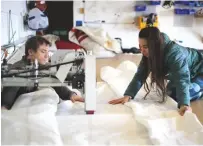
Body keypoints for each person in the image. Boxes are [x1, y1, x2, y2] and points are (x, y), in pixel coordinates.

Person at [109, 27, 203, 116]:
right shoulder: (149, 53)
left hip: (200, 70)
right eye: (140, 46)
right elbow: (140, 75)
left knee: (179, 97)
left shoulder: (175, 54)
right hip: (189, 72)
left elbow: (182, 79)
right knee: (170, 94)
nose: (142, 50)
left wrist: (184, 104)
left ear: (155, 45)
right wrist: (128, 95)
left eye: (145, 47)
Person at [1, 36, 84, 110]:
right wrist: (4, 107)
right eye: (43, 52)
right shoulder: (18, 69)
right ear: (30, 52)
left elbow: (55, 81)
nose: (47, 56)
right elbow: (8, 96)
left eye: (48, 52)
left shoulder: (42, 66)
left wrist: (71, 95)